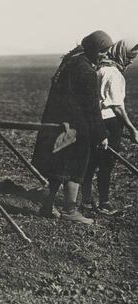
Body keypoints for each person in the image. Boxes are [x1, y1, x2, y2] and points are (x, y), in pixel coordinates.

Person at [32, 30, 112, 224]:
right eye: (103, 51)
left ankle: (48, 206)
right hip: (75, 127)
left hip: (60, 123)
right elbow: (91, 107)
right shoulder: (86, 70)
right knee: (77, 167)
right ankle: (69, 210)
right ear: (94, 48)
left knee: (59, 164)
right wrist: (101, 134)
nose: (105, 55)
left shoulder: (71, 61)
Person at [81, 39, 138, 215]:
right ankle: (104, 203)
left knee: (91, 162)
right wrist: (131, 128)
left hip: (95, 121)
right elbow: (117, 106)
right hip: (110, 122)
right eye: (129, 56)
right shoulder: (114, 74)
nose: (130, 61)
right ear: (120, 53)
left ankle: (87, 199)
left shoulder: (99, 69)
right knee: (106, 164)